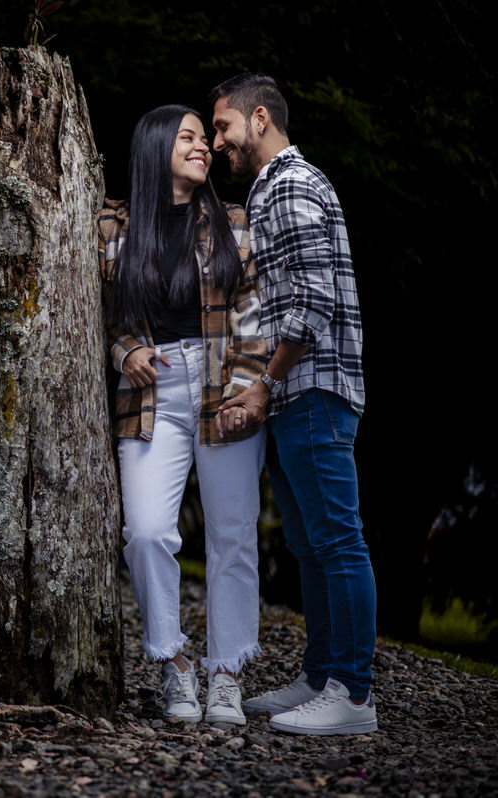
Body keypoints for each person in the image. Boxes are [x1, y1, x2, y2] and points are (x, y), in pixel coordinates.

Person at [210, 73, 376, 735]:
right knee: (310, 548)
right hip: (298, 395)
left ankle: (353, 696)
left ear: (257, 119)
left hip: (311, 390)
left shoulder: (290, 184)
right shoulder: (274, 187)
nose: (217, 141)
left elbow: (310, 305)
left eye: (222, 127)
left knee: (338, 543)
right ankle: (317, 675)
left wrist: (264, 384)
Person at [98, 105, 268, 726]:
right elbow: (100, 314)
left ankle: (226, 674)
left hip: (223, 389)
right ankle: (173, 664)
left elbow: (255, 319)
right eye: (190, 137)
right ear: (155, 148)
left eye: (206, 138)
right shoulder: (112, 228)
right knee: (145, 533)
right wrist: (127, 349)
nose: (204, 147)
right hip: (151, 394)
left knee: (231, 535)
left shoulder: (234, 225)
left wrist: (247, 390)